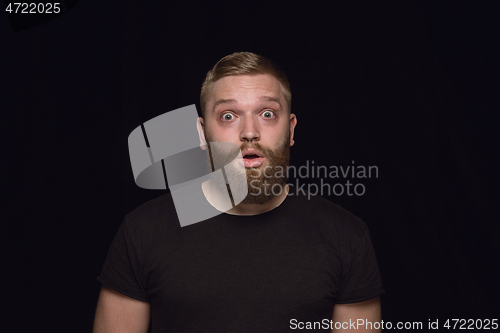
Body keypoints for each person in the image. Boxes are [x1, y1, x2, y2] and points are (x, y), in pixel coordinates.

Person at [93, 52, 384, 332]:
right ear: (202, 133)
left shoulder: (346, 236)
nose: (249, 132)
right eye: (229, 115)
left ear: (291, 129)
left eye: (267, 113)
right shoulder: (143, 231)